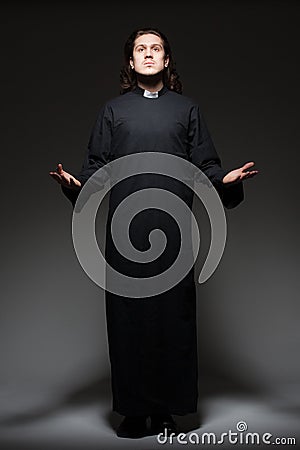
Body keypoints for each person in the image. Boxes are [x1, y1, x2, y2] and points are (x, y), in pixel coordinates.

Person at [49, 27, 258, 439]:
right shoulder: (112, 111)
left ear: (166, 60)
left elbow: (207, 169)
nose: (148, 54)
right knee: (128, 320)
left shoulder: (187, 110)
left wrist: (228, 181)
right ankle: (133, 410)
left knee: (172, 319)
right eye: (141, 49)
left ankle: (166, 410)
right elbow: (96, 170)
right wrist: (76, 187)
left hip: (175, 229)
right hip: (125, 232)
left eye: (156, 48)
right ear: (131, 62)